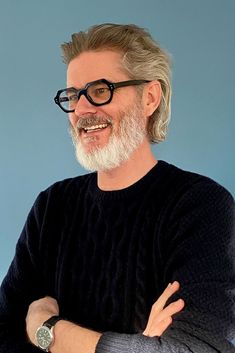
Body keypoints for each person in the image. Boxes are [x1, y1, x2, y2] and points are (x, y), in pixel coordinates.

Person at [0, 23, 234, 353]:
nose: (81, 110)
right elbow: (2, 332)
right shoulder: (52, 207)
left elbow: (202, 348)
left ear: (150, 97)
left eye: (100, 91)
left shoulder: (200, 206)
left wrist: (47, 329)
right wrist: (142, 345)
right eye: (72, 95)